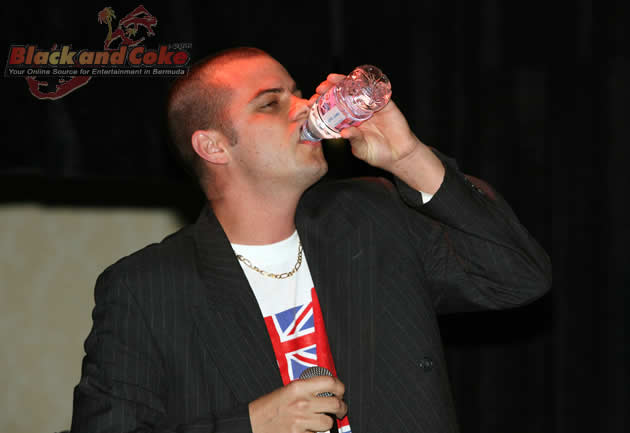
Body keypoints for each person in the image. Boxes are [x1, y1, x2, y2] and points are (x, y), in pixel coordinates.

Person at [70, 47, 551, 433]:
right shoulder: (147, 288)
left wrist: (407, 157)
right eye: (271, 102)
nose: (304, 108)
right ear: (213, 145)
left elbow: (518, 278)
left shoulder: (372, 216)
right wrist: (250, 425)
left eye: (298, 94)